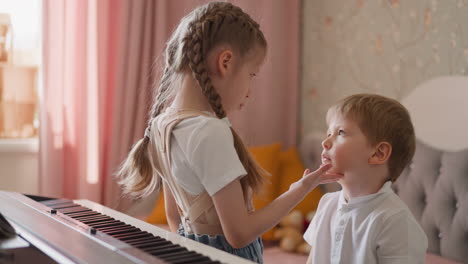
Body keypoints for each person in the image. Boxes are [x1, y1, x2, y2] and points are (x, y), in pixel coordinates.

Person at [116, 2, 342, 263]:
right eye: (252, 74)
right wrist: (302, 188)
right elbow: (240, 234)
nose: (250, 90)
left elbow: (174, 217)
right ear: (225, 62)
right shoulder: (208, 131)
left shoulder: (162, 124)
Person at [304, 94, 428, 264]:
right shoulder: (327, 204)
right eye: (328, 133)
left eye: (340, 132)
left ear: (378, 153)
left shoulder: (395, 221)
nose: (325, 142)